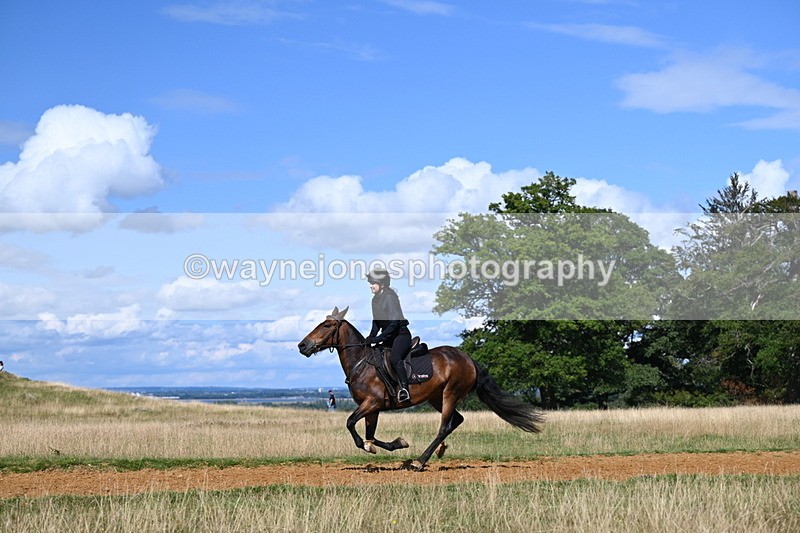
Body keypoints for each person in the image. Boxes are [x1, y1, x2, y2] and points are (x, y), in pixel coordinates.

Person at [364, 267, 412, 403]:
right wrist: (370, 336)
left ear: (382, 284)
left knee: (395, 358)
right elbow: (376, 322)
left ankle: (404, 389)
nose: (371, 286)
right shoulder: (375, 300)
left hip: (400, 335)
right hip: (388, 336)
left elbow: (393, 323)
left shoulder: (390, 297)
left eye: (373, 283)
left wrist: (378, 338)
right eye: (370, 283)